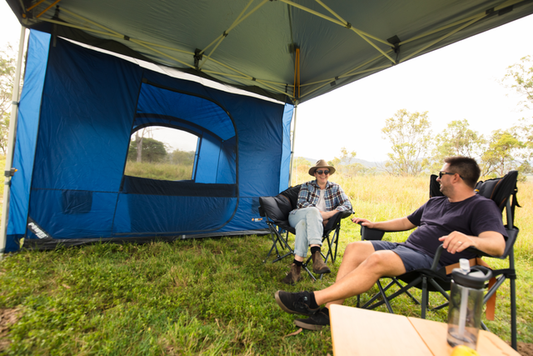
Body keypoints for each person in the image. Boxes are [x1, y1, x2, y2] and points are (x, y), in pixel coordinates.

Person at [275, 156, 507, 330]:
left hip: (434, 262)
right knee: (355, 247)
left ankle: (313, 299)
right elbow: (407, 222)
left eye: (441, 174)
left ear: (455, 177)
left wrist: (470, 238)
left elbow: (497, 245)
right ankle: (330, 312)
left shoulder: (480, 206)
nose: (438, 178)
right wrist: (375, 224)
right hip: (407, 249)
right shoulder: (436, 202)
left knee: (378, 259)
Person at [282, 159, 352, 285]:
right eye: (320, 171)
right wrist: (321, 215)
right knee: (312, 211)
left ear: (329, 174)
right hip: (297, 215)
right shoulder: (307, 186)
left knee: (303, 226)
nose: (323, 174)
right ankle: (316, 254)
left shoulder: (336, 188)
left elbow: (347, 205)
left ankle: (295, 269)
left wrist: (328, 215)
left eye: (326, 172)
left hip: (310, 223)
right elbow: (302, 203)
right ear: (315, 173)